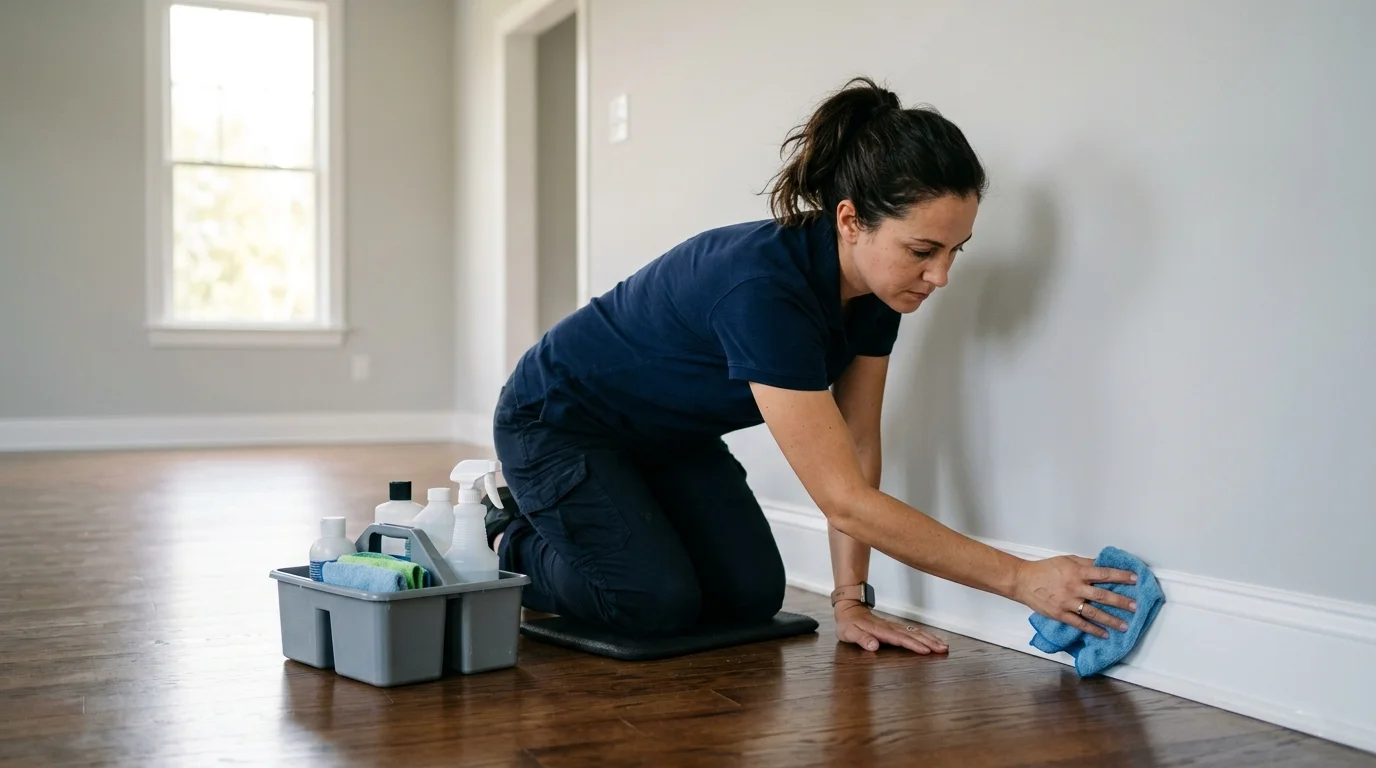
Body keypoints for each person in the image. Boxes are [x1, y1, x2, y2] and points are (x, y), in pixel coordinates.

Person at [486, 76, 1138, 654]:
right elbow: (845, 500)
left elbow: (857, 444)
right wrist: (1021, 579)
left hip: (667, 438)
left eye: (955, 250)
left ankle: (604, 522)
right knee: (652, 605)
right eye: (923, 250)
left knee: (750, 594)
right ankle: (507, 534)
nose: (940, 276)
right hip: (559, 423)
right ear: (851, 220)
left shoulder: (880, 291)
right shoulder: (762, 293)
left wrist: (850, 597)